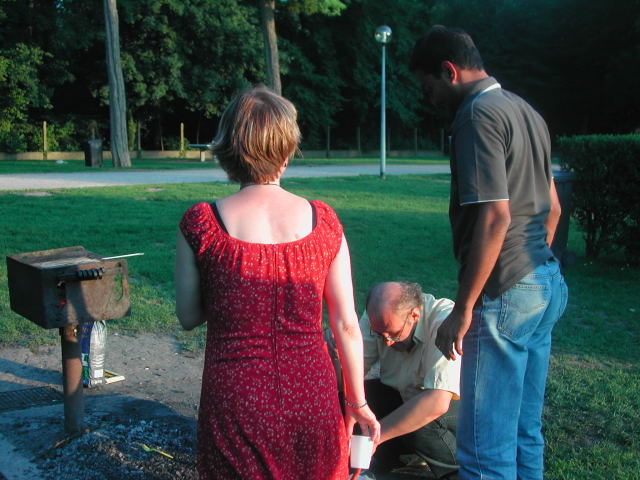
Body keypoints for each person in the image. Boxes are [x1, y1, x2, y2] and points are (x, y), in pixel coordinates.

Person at [175, 86, 380, 479]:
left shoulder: (201, 223)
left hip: (236, 400)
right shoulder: (324, 222)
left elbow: (188, 316)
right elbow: (346, 325)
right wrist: (357, 401)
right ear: (287, 151)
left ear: (227, 149)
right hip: (312, 396)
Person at [409, 26, 569, 479]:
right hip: (544, 280)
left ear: (449, 71)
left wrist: (464, 308)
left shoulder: (476, 116)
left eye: (428, 86)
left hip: (505, 292)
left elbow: (496, 217)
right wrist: (533, 269)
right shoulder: (525, 111)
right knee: (522, 432)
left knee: (483, 450)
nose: (429, 98)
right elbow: (553, 208)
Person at [359, 282, 460, 480]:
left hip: (461, 412)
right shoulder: (376, 318)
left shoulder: (444, 321)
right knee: (358, 398)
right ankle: (391, 461)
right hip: (407, 396)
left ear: (414, 315)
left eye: (393, 334)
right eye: (380, 335)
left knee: (423, 418)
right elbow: (351, 373)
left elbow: (437, 403)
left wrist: (374, 437)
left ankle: (457, 470)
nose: (387, 342)